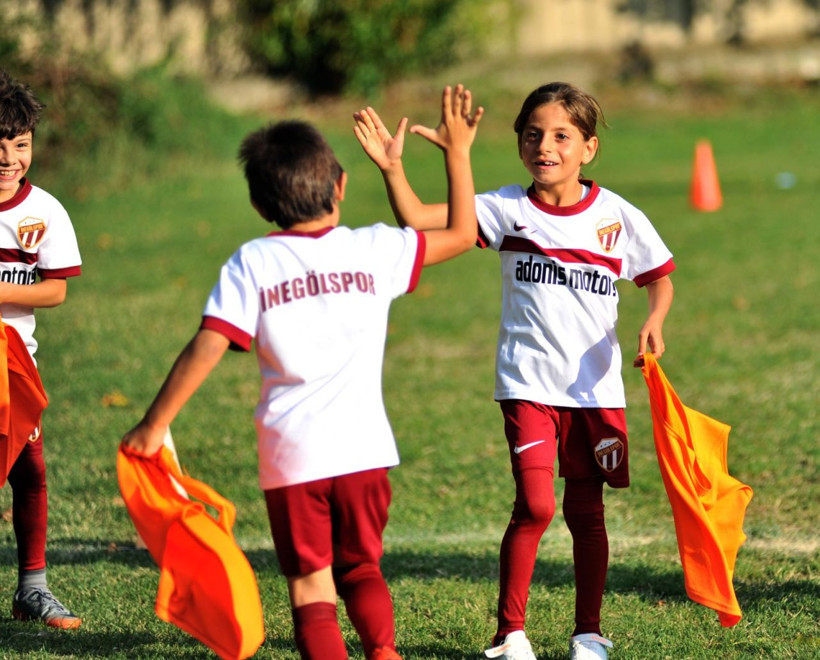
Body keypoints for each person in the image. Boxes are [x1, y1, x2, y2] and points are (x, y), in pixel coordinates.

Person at [120, 84, 483, 660]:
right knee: (361, 567)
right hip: (366, 450)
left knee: (312, 585)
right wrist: (455, 153)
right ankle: (384, 653)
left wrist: (153, 425)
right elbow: (465, 233)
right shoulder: (375, 248)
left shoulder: (253, 262)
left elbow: (210, 343)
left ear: (261, 208)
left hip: (293, 458)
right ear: (340, 186)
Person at [357, 82, 675, 660]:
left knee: (586, 512)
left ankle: (589, 634)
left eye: (561, 136)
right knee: (535, 505)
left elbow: (658, 275)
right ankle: (510, 635)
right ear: (518, 143)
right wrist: (393, 170)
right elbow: (417, 219)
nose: (544, 146)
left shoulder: (616, 216)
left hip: (595, 389)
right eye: (532, 134)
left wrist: (655, 318)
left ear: (589, 148)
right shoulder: (505, 208)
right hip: (527, 384)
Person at [0, 69, 83, 629]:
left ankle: (33, 588)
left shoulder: (45, 212)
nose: (9, 158)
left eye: (21, 144)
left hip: (16, 366)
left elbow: (55, 288)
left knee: (30, 470)